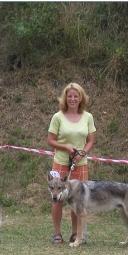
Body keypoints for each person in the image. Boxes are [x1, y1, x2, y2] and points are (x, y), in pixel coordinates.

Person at [47, 82, 96, 244]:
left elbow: (90, 140)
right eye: (70, 96)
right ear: (65, 98)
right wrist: (65, 147)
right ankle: (57, 233)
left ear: (81, 98)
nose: (73, 99)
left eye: (76, 96)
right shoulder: (57, 117)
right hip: (61, 164)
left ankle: (77, 234)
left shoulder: (88, 117)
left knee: (78, 200)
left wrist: (83, 152)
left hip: (80, 164)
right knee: (57, 199)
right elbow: (50, 140)